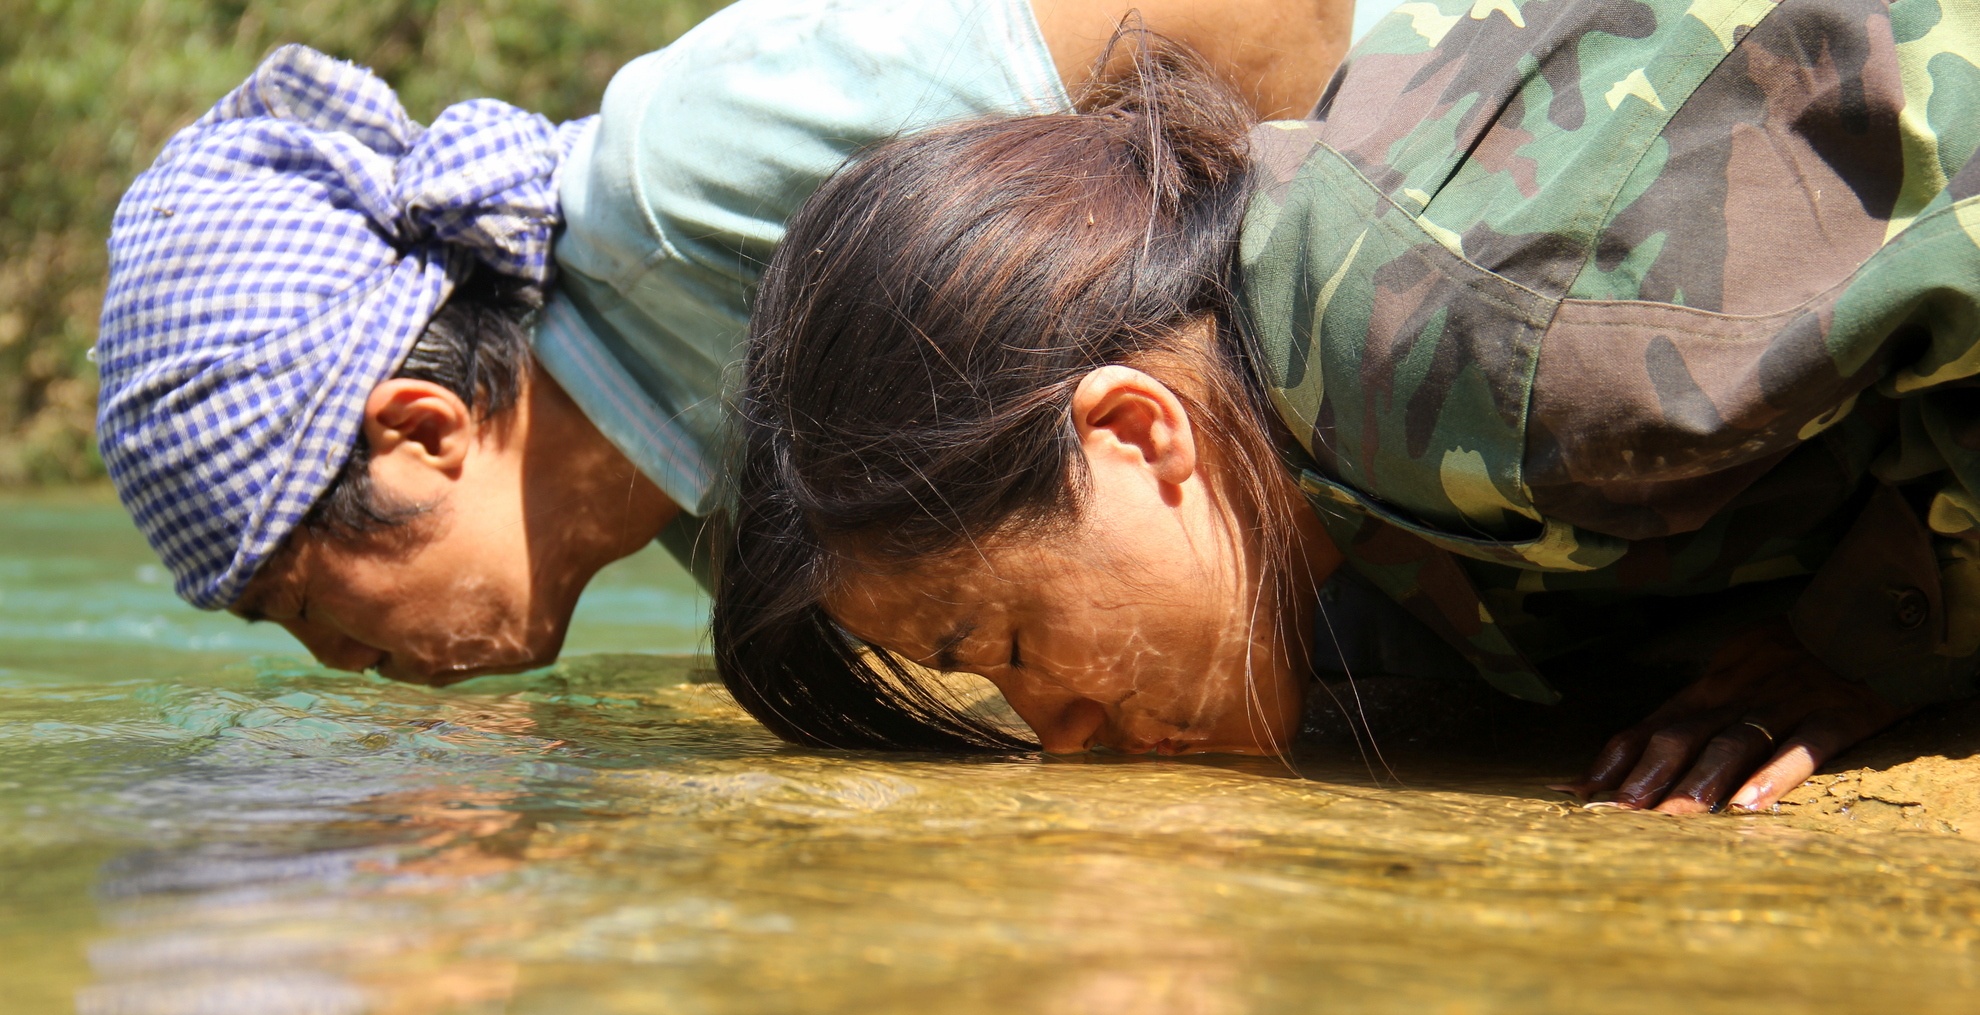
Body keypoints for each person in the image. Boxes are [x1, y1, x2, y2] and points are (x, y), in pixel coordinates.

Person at [714, 0, 1980, 814]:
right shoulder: (1311, 510)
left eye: (1005, 649)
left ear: (1135, 433)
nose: (1061, 735)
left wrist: (1879, 633)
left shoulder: (1514, 344)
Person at [94, 0, 1350, 685]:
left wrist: (1360, 341)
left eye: (307, 607)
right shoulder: (710, 518)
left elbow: (1255, 15)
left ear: (419, 435)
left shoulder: (694, 169)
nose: (348, 669)